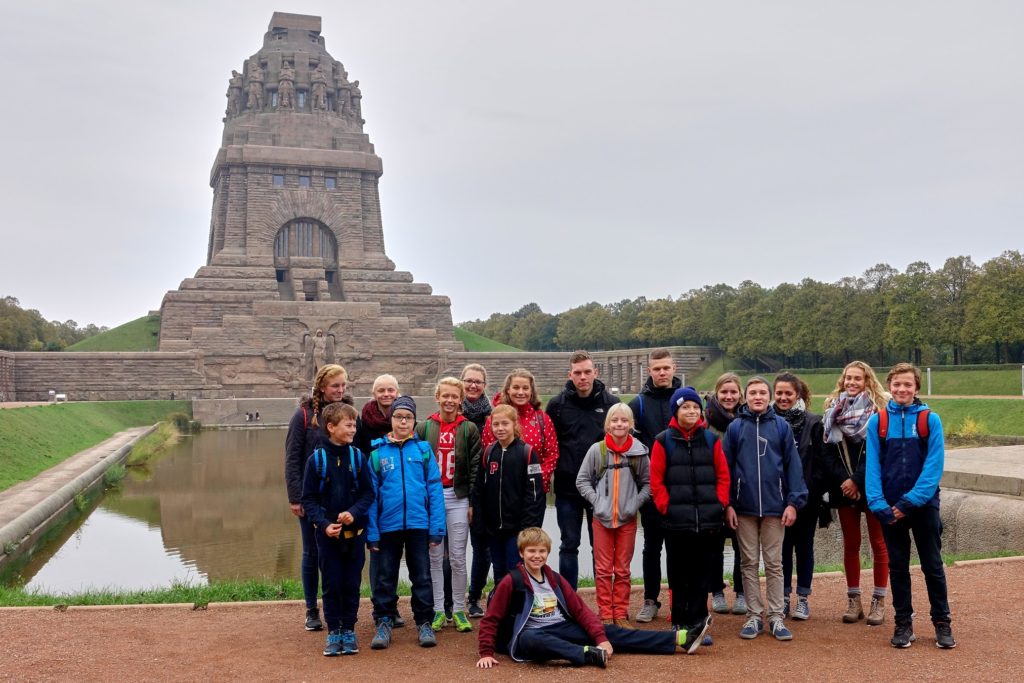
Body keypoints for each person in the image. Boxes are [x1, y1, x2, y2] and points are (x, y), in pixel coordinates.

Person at [476, 527, 710, 669]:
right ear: (521, 553)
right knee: (531, 640)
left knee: (613, 632)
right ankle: (586, 654)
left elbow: (580, 611)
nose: (537, 556)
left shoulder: (554, 578)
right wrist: (486, 653)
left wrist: (600, 637)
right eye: (531, 551)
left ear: (547, 553)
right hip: (529, 634)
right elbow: (491, 620)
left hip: (559, 627)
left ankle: (680, 639)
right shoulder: (512, 581)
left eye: (541, 551)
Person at [866, 363, 955, 649]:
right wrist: (878, 503)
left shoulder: (930, 420)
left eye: (907, 385)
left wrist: (909, 502)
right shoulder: (877, 421)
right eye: (896, 384)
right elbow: (872, 468)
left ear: (916, 387)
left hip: (923, 505)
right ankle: (903, 623)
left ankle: (942, 622)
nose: (901, 389)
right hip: (889, 508)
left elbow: (934, 467)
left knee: (932, 565)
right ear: (889, 386)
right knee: (898, 567)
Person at [723, 376, 807, 642]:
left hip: (774, 506)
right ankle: (753, 616)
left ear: (768, 396)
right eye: (752, 393)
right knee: (748, 562)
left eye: (762, 393)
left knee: (774, 563)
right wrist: (727, 504)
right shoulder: (735, 428)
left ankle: (775, 617)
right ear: (745, 397)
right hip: (744, 507)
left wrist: (793, 502)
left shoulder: (781, 427)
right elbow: (724, 469)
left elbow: (794, 466)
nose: (757, 397)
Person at [649, 386, 729, 642]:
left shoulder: (711, 440)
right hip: (676, 521)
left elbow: (723, 476)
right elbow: (656, 481)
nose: (692, 411)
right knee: (679, 574)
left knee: (701, 575)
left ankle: (698, 622)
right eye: (686, 407)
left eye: (695, 407)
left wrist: (720, 504)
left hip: (707, 520)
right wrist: (666, 507)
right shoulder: (663, 440)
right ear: (677, 410)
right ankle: (679, 622)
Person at [366, 396, 446, 650]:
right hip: (387, 526)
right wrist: (372, 532)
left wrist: (436, 528)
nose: (403, 421)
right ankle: (384, 621)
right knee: (385, 577)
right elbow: (371, 497)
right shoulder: (377, 454)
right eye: (399, 417)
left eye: (408, 417)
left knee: (421, 577)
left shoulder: (423, 451)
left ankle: (424, 622)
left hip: (418, 525)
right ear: (391, 420)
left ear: (414, 421)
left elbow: (434, 491)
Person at [300, 402, 374, 656]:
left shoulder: (358, 457)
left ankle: (349, 630)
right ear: (331, 427)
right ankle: (334, 631)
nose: (353, 429)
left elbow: (368, 493)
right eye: (348, 424)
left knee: (351, 583)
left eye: (354, 424)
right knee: (331, 584)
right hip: (327, 536)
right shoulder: (316, 461)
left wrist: (354, 513)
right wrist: (323, 524)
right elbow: (308, 499)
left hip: (354, 536)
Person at [821, 361, 890, 625]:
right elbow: (827, 451)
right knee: (851, 544)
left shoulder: (878, 412)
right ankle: (854, 599)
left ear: (867, 381)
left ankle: (879, 601)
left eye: (857, 379)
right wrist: (845, 481)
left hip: (873, 485)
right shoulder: (832, 410)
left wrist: (857, 480)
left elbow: (878, 451)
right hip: (843, 488)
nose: (851, 382)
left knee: (878, 543)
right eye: (848, 378)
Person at [546, 350, 620, 589]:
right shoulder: (557, 405)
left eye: (587, 372)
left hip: (602, 489)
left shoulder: (612, 404)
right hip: (568, 489)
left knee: (600, 546)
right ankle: (569, 598)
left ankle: (604, 599)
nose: (583, 377)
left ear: (595, 372)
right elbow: (550, 444)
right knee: (569, 544)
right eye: (578, 373)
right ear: (570, 375)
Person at [284, 363, 348, 631]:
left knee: (341, 552)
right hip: (312, 499)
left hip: (342, 495)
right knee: (311, 553)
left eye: (344, 385)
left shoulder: (348, 412)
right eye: (335, 385)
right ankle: (312, 608)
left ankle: (340, 605)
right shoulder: (303, 415)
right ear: (322, 387)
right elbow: (292, 458)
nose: (340, 390)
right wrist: (296, 498)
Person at [416, 377, 482, 634]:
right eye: (446, 395)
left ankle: (458, 609)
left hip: (458, 497)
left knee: (457, 557)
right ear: (437, 397)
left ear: (461, 399)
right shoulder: (424, 427)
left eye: (455, 396)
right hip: (432, 498)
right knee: (434, 557)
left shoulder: (468, 429)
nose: (450, 400)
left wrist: (472, 502)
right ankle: (438, 610)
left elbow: (476, 467)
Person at [575, 403, 650, 627]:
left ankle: (621, 613)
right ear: (607, 424)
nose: (620, 424)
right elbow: (582, 481)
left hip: (627, 519)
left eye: (624, 420)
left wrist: (634, 503)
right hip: (602, 519)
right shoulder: (597, 450)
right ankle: (606, 614)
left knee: (623, 569)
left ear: (631, 424)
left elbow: (648, 484)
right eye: (615, 420)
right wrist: (597, 501)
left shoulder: (639, 452)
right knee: (604, 569)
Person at [627, 349, 681, 623]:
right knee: (652, 546)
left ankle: (677, 599)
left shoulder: (686, 399)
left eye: (666, 368)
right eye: (656, 368)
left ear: (674, 368)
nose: (661, 372)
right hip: (650, 487)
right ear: (649, 371)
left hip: (681, 487)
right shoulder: (638, 403)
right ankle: (650, 599)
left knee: (678, 547)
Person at [474, 404, 546, 586]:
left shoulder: (527, 452)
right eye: (495, 424)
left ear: (515, 424)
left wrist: (528, 527)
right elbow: (479, 489)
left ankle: (519, 610)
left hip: (518, 529)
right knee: (499, 571)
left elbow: (535, 494)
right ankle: (503, 610)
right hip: (493, 529)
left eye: (504, 424)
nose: (500, 428)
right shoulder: (489, 452)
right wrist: (481, 522)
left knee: (516, 571)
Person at [774, 372, 826, 621]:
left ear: (798, 395)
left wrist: (808, 492)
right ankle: (782, 598)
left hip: (807, 497)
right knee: (781, 549)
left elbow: (820, 463)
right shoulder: (768, 421)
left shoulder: (814, 422)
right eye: (779, 393)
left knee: (804, 547)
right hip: (776, 497)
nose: (783, 398)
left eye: (788, 394)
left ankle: (803, 598)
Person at [704, 372, 747, 616]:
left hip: (742, 492)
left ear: (740, 394)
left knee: (743, 546)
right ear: (717, 394)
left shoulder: (748, 419)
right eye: (724, 392)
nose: (729, 396)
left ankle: (741, 592)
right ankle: (717, 590)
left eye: (733, 392)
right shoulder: (705, 421)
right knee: (714, 547)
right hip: (713, 492)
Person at [481, 369, 559, 492]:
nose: (520, 392)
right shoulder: (494, 418)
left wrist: (537, 479)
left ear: (531, 391)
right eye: (516, 388)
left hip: (534, 489)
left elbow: (551, 454)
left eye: (525, 388)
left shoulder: (542, 419)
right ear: (508, 390)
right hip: (502, 490)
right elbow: (488, 451)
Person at [460, 363, 492, 617]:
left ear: (484, 386)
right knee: (452, 549)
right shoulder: (452, 413)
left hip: (484, 492)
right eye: (469, 381)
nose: (473, 385)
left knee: (483, 548)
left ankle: (474, 596)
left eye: (478, 382)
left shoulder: (492, 417)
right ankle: (448, 599)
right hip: (456, 490)